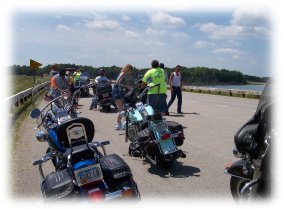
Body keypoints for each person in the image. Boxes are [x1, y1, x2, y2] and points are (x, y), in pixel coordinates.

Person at [112, 64, 135, 130]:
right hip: (117, 91)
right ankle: (117, 123)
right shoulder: (123, 73)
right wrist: (126, 86)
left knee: (122, 109)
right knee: (121, 110)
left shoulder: (123, 73)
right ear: (128, 69)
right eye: (130, 70)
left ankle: (120, 123)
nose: (130, 72)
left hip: (119, 92)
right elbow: (117, 82)